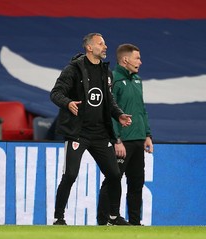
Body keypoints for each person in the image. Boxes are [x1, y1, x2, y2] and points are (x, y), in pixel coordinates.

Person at [50, 32, 132, 226]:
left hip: (100, 133)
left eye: (104, 44)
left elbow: (108, 101)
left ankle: (114, 216)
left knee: (114, 174)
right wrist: (68, 102)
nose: (105, 47)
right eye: (101, 44)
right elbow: (55, 93)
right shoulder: (73, 70)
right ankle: (58, 218)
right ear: (89, 47)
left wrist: (118, 114)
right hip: (78, 133)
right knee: (70, 175)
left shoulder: (106, 72)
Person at [97, 44, 153, 226]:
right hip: (122, 141)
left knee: (136, 183)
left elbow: (141, 109)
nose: (140, 62)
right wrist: (116, 140)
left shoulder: (137, 80)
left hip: (138, 140)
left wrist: (147, 134)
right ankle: (104, 220)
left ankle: (135, 223)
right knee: (113, 180)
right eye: (137, 58)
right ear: (125, 59)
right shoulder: (112, 79)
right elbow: (109, 112)